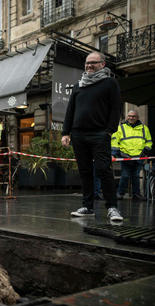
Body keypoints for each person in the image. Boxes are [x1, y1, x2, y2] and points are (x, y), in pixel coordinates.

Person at [62, 51, 123, 221]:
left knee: (104, 169)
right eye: (87, 63)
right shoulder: (78, 85)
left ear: (102, 64)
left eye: (93, 63)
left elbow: (116, 108)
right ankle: (88, 206)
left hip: (99, 134)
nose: (89, 65)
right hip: (78, 134)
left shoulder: (110, 83)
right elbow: (70, 110)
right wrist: (65, 132)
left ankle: (112, 207)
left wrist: (109, 131)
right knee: (85, 171)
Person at [112, 110, 152, 200]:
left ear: (137, 117)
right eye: (129, 116)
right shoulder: (120, 128)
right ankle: (120, 193)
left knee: (136, 176)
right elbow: (114, 142)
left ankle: (136, 194)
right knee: (125, 175)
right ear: (127, 117)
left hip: (139, 156)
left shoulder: (144, 128)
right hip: (125, 156)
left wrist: (145, 151)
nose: (131, 118)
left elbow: (149, 141)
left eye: (133, 116)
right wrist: (118, 154)